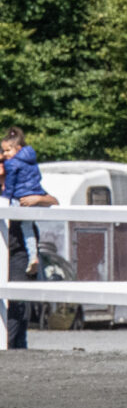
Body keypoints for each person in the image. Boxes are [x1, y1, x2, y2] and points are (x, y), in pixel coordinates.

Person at [3, 126, 54, 350]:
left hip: (18, 252)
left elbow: (53, 200)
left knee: (17, 304)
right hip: (4, 250)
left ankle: (15, 347)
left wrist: (37, 199)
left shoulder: (22, 186)